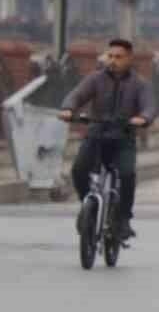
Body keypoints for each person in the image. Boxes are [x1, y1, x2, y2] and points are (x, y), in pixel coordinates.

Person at [58, 38, 153, 239]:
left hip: (123, 139)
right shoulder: (95, 79)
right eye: (110, 56)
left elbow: (149, 107)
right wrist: (68, 108)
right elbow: (77, 94)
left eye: (118, 57)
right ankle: (88, 207)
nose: (112, 61)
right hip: (96, 135)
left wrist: (142, 118)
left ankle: (124, 219)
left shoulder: (140, 84)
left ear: (129, 59)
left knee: (127, 174)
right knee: (78, 170)